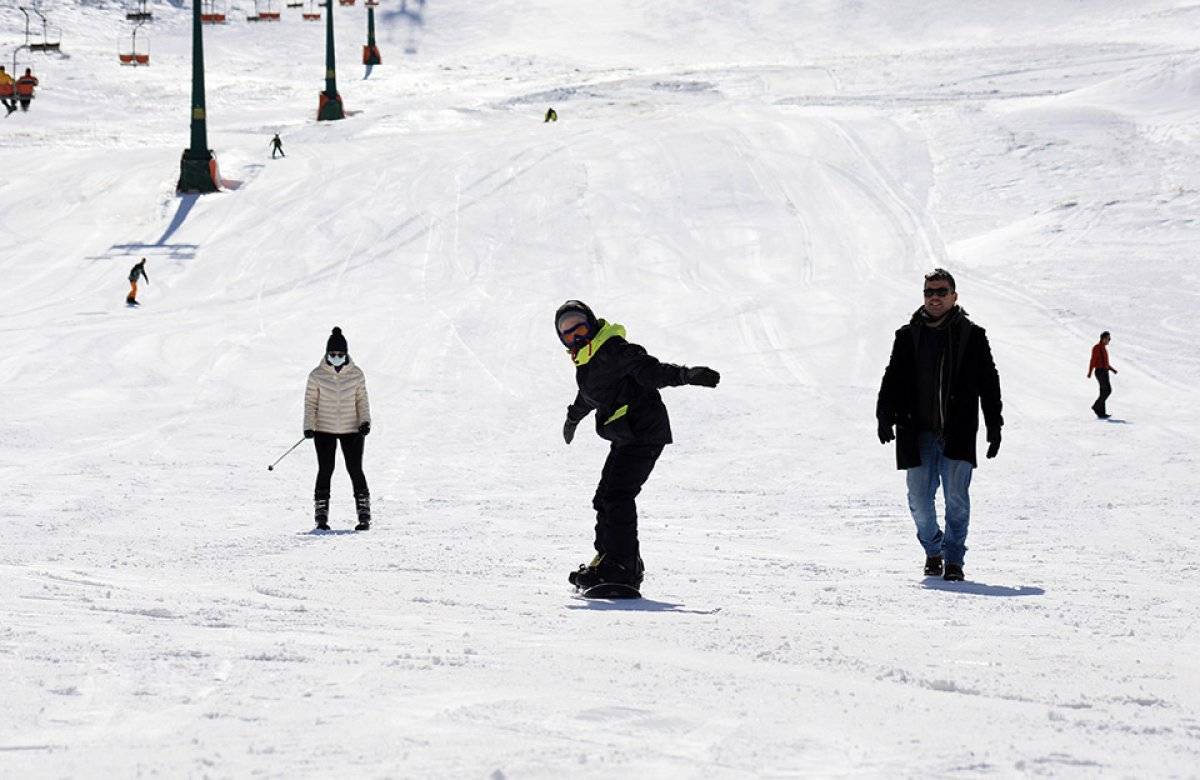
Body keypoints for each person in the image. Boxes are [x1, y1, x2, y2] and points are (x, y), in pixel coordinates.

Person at [557, 300, 720, 592]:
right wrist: (572, 418)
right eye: (568, 333)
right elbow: (590, 396)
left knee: (618, 495)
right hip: (627, 434)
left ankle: (624, 567)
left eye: (579, 326)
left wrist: (686, 375)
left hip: (644, 430)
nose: (576, 335)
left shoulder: (614, 349)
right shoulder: (588, 361)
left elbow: (650, 371)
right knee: (604, 496)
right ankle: (608, 559)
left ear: (591, 324)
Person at [875, 269, 1003, 582]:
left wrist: (994, 425)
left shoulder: (972, 335)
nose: (934, 297)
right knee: (918, 500)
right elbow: (892, 377)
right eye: (929, 292)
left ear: (954, 296)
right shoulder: (907, 335)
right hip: (916, 432)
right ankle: (934, 550)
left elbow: (989, 383)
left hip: (957, 432)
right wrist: (884, 415)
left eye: (941, 292)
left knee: (956, 500)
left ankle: (954, 559)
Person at [304, 327, 372, 531]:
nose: (336, 357)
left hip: (352, 430)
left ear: (346, 355)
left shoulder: (356, 374)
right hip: (324, 430)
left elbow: (362, 401)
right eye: (332, 354)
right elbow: (310, 403)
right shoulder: (316, 375)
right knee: (325, 470)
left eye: (340, 355)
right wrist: (309, 426)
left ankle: (364, 515)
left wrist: (365, 422)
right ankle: (321, 517)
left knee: (355, 470)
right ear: (327, 354)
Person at [1087, 331, 1117, 419]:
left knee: (1103, 392)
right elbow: (1092, 361)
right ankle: (1096, 406)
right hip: (1100, 372)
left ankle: (1101, 413)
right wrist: (1090, 372)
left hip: (1105, 371)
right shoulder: (1097, 348)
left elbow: (1105, 363)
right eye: (1108, 338)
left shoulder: (1103, 348)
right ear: (1103, 339)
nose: (1109, 340)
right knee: (1108, 390)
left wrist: (1112, 370)